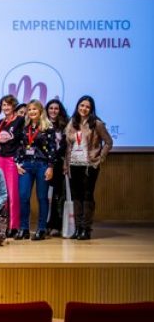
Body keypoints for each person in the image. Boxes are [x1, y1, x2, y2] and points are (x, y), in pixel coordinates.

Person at [64, 95, 113, 240]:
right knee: (76, 197)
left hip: (89, 165)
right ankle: (78, 228)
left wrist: (99, 158)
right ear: (77, 106)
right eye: (81, 105)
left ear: (91, 109)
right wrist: (66, 164)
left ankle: (86, 228)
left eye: (87, 107)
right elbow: (68, 146)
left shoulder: (96, 124)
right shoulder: (72, 123)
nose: (84, 109)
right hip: (73, 165)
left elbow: (109, 142)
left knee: (87, 195)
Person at [14, 100, 56, 241]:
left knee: (42, 198)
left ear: (40, 111)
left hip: (42, 165)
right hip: (25, 164)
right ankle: (24, 228)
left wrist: (50, 166)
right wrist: (17, 163)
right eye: (29, 109)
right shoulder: (25, 127)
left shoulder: (48, 127)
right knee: (23, 196)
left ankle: (41, 229)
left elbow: (52, 148)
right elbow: (20, 146)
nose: (32, 112)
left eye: (35, 109)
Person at [0, 94, 25, 238]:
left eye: (8, 105)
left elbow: (22, 140)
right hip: (0, 158)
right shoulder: (1, 122)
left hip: (12, 159)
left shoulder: (20, 120)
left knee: (13, 194)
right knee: (3, 194)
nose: (5, 107)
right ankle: (4, 225)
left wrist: (19, 159)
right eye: (3, 105)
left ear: (14, 106)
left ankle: (14, 226)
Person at [45, 99, 69, 236]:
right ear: (46, 110)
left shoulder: (65, 125)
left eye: (56, 108)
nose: (53, 111)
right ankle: (46, 224)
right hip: (45, 164)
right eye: (51, 108)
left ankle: (56, 224)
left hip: (59, 164)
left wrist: (57, 156)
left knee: (57, 195)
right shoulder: (42, 124)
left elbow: (66, 145)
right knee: (45, 196)